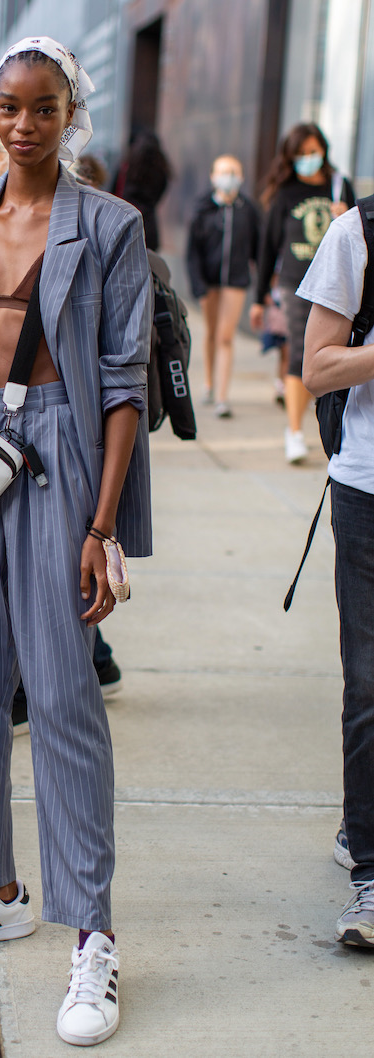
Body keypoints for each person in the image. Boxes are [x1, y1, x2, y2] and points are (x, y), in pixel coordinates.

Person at [0, 38, 152, 1048]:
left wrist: (102, 527)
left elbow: (125, 384)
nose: (22, 124)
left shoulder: (109, 225)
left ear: (69, 115)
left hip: (57, 448)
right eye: (8, 107)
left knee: (59, 693)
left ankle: (91, 929)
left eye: (42, 108)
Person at [299, 198, 374, 946]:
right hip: (368, 492)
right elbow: (317, 367)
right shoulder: (357, 232)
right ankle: (372, 875)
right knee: (372, 683)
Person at [250, 123, 354, 463]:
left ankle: (324, 424)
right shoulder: (285, 192)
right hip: (295, 285)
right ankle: (294, 431)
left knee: (335, 356)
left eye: (313, 151)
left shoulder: (340, 187)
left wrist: (346, 217)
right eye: (301, 154)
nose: (308, 159)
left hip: (336, 285)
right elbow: (268, 247)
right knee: (300, 353)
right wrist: (258, 297)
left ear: (323, 150)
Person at [186, 154, 260, 417]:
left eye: (233, 171)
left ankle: (221, 397)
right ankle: (208, 382)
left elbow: (258, 248)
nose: (228, 177)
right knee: (211, 332)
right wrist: (198, 287)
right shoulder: (202, 209)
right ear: (213, 176)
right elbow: (192, 251)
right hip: (209, 281)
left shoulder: (248, 210)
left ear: (241, 177)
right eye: (223, 171)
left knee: (225, 337)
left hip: (236, 281)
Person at [113, 127, 172, 251]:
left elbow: (113, 190)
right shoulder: (161, 169)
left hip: (124, 220)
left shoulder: (127, 166)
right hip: (149, 226)